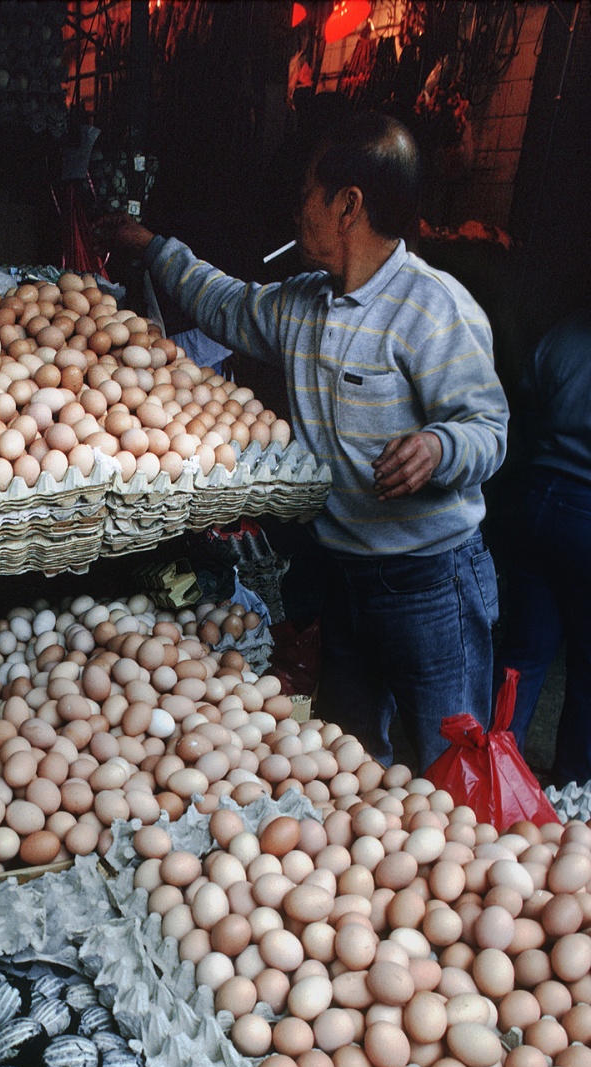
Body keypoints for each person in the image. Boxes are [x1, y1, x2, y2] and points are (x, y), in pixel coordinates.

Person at [96, 113, 509, 771]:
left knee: (452, 760)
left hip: (432, 581)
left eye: (307, 193)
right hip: (346, 575)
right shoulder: (302, 305)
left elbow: (487, 431)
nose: (295, 211)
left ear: (348, 206)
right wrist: (150, 245)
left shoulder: (433, 309)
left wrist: (438, 447)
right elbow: (224, 302)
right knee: (344, 764)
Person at [494, 310, 591, 785]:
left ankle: (495, 775)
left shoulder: (562, 335)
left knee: (525, 654)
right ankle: (576, 793)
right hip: (586, 510)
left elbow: (522, 405)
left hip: (535, 499)